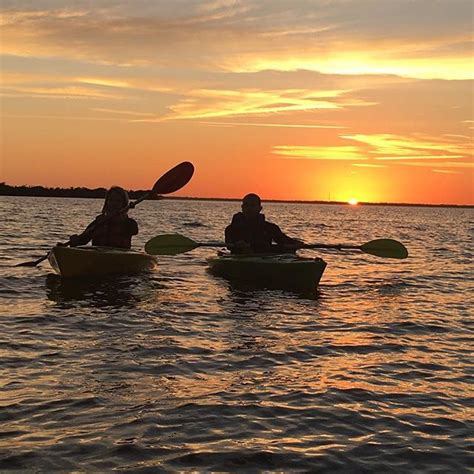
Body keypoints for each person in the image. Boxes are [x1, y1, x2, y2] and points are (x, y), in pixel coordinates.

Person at [225, 193, 304, 254]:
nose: (249, 208)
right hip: (240, 258)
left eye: (252, 205)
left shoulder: (270, 228)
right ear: (242, 207)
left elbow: (283, 240)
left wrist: (295, 243)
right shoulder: (231, 228)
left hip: (265, 258)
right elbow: (229, 244)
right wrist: (236, 244)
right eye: (246, 205)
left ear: (260, 208)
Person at [68, 186, 138, 249]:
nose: (114, 203)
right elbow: (83, 240)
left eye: (118, 201)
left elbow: (134, 230)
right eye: (111, 200)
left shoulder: (129, 223)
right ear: (106, 202)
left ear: (123, 204)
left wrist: (123, 214)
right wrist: (75, 241)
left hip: (119, 257)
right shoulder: (98, 222)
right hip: (99, 256)